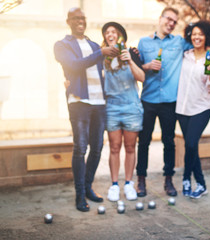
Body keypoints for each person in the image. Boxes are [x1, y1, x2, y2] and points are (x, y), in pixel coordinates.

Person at [53, 8, 119, 212]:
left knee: (97, 148)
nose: (80, 21)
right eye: (76, 18)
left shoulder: (93, 45)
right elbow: (73, 66)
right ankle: (80, 194)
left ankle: (88, 186)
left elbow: (103, 69)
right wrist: (101, 53)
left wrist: (111, 57)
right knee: (80, 148)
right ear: (68, 21)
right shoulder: (62, 45)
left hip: (99, 103)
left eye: (83, 18)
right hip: (79, 101)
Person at [135, 7, 194, 197]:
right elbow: (137, 71)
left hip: (170, 101)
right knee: (143, 141)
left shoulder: (179, 42)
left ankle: (168, 180)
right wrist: (147, 65)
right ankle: (141, 180)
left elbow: (200, 45)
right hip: (148, 100)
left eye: (174, 22)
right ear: (160, 19)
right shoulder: (144, 43)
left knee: (169, 141)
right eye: (168, 19)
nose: (171, 23)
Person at [101, 22, 146, 202]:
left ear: (121, 36)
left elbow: (142, 78)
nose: (110, 34)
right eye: (107, 32)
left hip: (131, 107)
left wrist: (128, 60)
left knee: (129, 147)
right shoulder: (102, 56)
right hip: (111, 107)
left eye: (114, 32)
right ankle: (114, 185)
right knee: (114, 147)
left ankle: (128, 183)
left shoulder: (132, 53)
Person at [176, 20, 210, 199]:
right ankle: (195, 183)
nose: (196, 37)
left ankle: (191, 180)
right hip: (182, 108)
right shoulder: (185, 55)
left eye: (200, 34)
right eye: (194, 34)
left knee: (191, 144)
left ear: (206, 37)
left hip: (201, 107)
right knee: (191, 147)